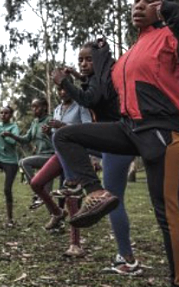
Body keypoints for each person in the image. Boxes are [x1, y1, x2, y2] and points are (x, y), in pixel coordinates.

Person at [54, 0, 179, 287]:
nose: (139, 5)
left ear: (164, 5)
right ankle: (96, 194)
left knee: (167, 213)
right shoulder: (132, 50)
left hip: (165, 133)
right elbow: (101, 95)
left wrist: (173, 12)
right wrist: (101, 59)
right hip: (130, 128)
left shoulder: (172, 36)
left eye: (150, 0)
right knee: (66, 136)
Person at [52, 40, 140, 272]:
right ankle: (74, 183)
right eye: (80, 59)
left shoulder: (107, 75)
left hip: (116, 142)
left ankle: (127, 259)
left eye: (88, 59)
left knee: (113, 200)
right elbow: (92, 89)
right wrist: (78, 77)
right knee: (66, 141)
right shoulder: (98, 76)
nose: (83, 63)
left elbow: (90, 99)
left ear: (99, 60)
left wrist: (64, 82)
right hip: (107, 141)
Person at [28, 82, 92, 257]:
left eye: (65, 88)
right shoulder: (57, 110)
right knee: (36, 183)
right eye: (59, 89)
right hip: (58, 155)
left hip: (75, 155)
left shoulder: (81, 107)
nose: (62, 92)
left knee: (72, 197)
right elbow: (56, 137)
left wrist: (62, 126)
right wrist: (49, 132)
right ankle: (57, 212)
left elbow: (88, 130)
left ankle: (75, 245)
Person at [8, 98, 54, 209]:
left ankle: (37, 189)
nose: (33, 109)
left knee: (23, 162)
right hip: (40, 155)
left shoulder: (50, 119)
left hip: (51, 156)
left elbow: (58, 137)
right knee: (46, 196)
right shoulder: (34, 122)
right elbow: (26, 139)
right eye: (32, 107)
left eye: (36, 107)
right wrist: (11, 135)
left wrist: (49, 133)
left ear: (44, 107)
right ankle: (57, 219)